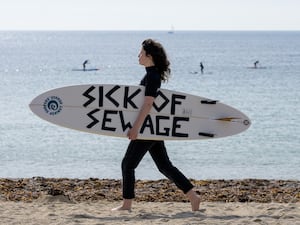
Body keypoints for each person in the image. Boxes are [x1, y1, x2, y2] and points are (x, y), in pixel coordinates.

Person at [112, 39, 200, 211]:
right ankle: (193, 197)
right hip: (153, 128)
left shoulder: (152, 77)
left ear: (149, 56)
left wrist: (136, 128)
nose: (138, 56)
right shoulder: (151, 74)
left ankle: (127, 204)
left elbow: (148, 104)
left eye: (141, 53)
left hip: (146, 129)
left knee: (127, 164)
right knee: (164, 166)